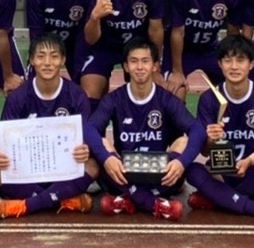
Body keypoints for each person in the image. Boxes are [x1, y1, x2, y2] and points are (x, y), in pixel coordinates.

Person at [85, 39, 203, 220]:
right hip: (123, 173)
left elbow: (197, 129)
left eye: (145, 61)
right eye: (134, 61)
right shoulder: (114, 98)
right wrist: (107, 158)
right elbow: (89, 128)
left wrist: (182, 162)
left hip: (159, 173)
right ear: (126, 67)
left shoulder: (166, 99)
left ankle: (128, 199)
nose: (139, 67)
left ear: (155, 66)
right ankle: (155, 203)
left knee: (183, 141)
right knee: (101, 142)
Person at [0, 35, 99, 218]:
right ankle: (64, 199)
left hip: (63, 170)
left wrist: (84, 150)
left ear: (63, 60)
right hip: (29, 171)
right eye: (40, 56)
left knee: (93, 165)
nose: (47, 63)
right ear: (31, 60)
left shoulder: (76, 95)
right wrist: (0, 156)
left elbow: (86, 139)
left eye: (54, 56)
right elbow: (5, 141)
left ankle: (28, 204)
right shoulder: (18, 97)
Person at [184, 35, 254, 223]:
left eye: (240, 60)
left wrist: (248, 161)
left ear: (251, 64)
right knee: (191, 169)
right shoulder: (209, 98)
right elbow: (205, 152)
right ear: (219, 64)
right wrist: (211, 139)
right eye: (227, 60)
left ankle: (220, 198)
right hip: (223, 175)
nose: (234, 66)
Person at [81, 0, 170, 101]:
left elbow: (156, 29)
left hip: (138, 47)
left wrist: (155, 64)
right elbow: (90, 39)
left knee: (151, 90)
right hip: (105, 47)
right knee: (90, 92)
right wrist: (95, 17)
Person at [166, 0, 242, 94]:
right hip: (182, 50)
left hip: (211, 49)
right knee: (176, 91)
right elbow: (177, 32)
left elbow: (233, 33)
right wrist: (177, 71)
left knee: (233, 90)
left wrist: (231, 63)